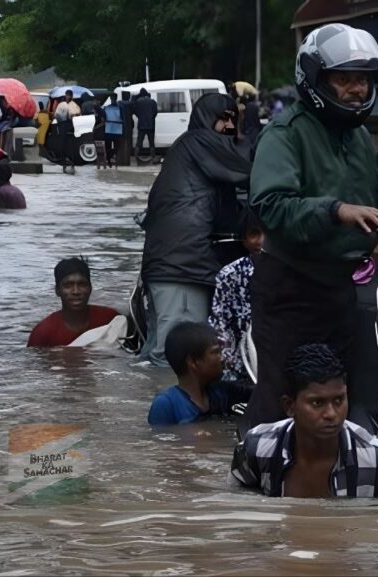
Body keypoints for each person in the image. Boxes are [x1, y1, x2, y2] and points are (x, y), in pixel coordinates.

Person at [244, 23, 378, 431]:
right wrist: (336, 211)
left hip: (345, 290)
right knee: (281, 403)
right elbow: (271, 206)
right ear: (315, 79)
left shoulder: (360, 139)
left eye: (364, 81)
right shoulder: (285, 135)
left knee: (348, 397)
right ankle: (255, 480)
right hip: (291, 289)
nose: (357, 90)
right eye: (344, 79)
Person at [231, 344, 378, 498]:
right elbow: (234, 501)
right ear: (290, 406)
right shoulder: (258, 447)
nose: (332, 413)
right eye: (317, 403)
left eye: (339, 400)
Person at [137, 92, 250, 367]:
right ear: (205, 118)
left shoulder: (191, 149)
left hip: (174, 266)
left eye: (233, 120)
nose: (229, 127)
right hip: (182, 268)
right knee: (179, 359)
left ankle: (146, 405)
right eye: (223, 119)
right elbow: (249, 164)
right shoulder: (199, 143)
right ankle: (174, 410)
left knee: (159, 355)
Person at [147, 322, 251, 426]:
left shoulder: (223, 393)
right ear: (193, 362)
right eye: (215, 352)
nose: (223, 358)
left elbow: (260, 392)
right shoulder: (165, 405)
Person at [208, 210, 263, 384]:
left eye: (268, 234)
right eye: (254, 234)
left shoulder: (292, 273)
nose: (261, 241)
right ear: (244, 239)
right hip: (241, 367)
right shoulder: (230, 275)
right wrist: (228, 367)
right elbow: (220, 324)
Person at [27, 258, 120, 347]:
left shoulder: (111, 319)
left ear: (90, 288)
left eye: (82, 284)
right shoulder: (42, 334)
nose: (76, 291)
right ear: (57, 290)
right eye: (68, 285)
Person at [133, 88, 158, 162]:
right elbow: (155, 113)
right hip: (151, 125)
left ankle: (136, 157)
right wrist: (151, 118)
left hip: (141, 125)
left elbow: (135, 111)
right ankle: (153, 157)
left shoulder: (138, 102)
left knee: (139, 142)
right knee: (151, 143)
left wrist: (140, 117)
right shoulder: (153, 102)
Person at [102, 95, 122, 168]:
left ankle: (109, 159)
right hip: (117, 130)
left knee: (108, 147)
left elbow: (103, 118)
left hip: (109, 129)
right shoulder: (120, 108)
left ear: (110, 99)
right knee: (116, 147)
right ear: (116, 99)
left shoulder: (106, 108)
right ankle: (113, 159)